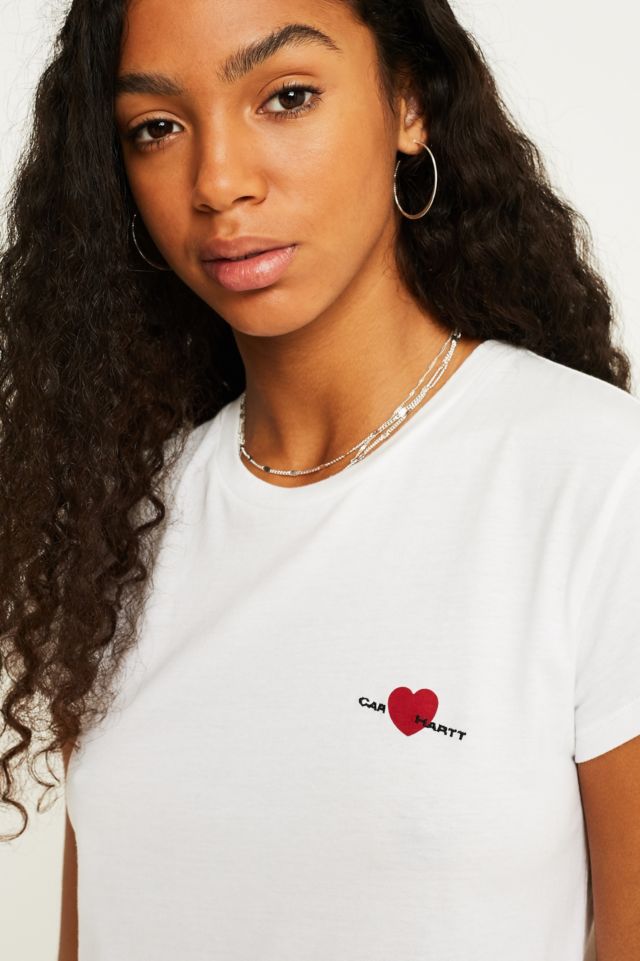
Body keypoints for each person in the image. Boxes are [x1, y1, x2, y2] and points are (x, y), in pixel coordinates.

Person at [0, 1, 638, 960]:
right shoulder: (122, 523)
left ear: (408, 102)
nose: (219, 181)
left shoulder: (594, 480)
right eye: (158, 127)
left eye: (287, 97)